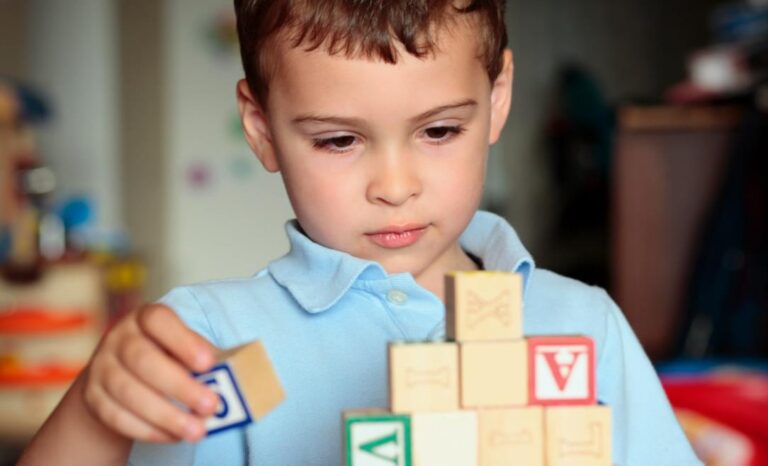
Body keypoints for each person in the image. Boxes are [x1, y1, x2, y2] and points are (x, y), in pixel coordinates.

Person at [19, 0, 703, 464]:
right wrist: (95, 415)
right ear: (262, 130)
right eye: (340, 140)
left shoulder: (584, 327)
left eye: (439, 131)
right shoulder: (206, 341)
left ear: (496, 101)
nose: (395, 185)